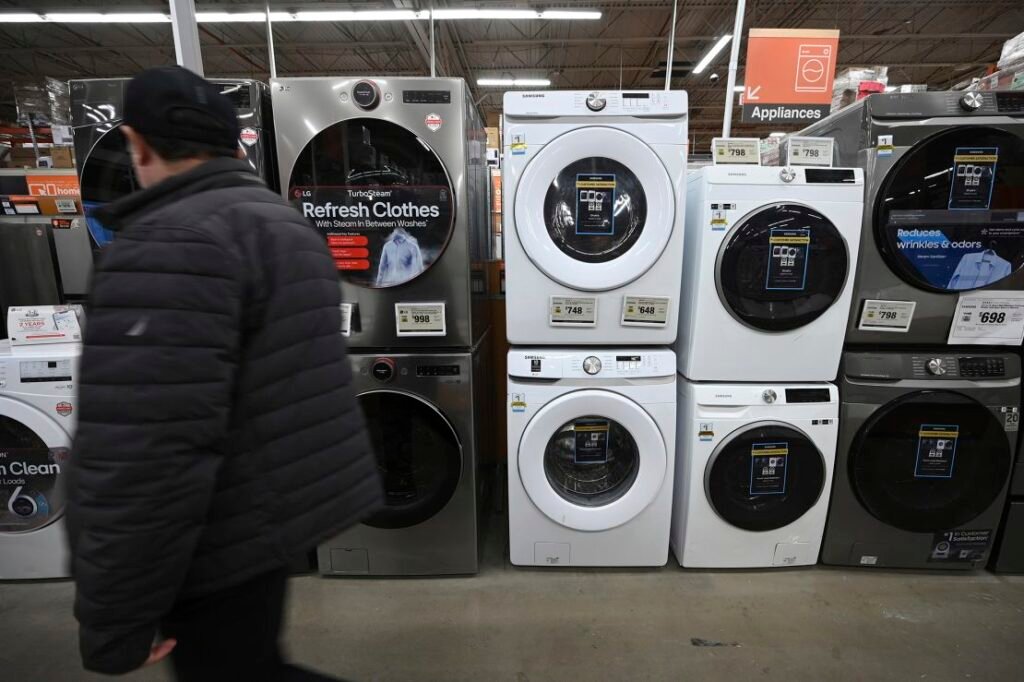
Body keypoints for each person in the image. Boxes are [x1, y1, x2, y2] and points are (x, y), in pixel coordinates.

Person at [65, 66, 383, 680]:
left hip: (211, 536)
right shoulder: (285, 224)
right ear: (232, 138)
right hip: (273, 519)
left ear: (135, 142)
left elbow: (142, 451)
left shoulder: (166, 244)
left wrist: (114, 617)